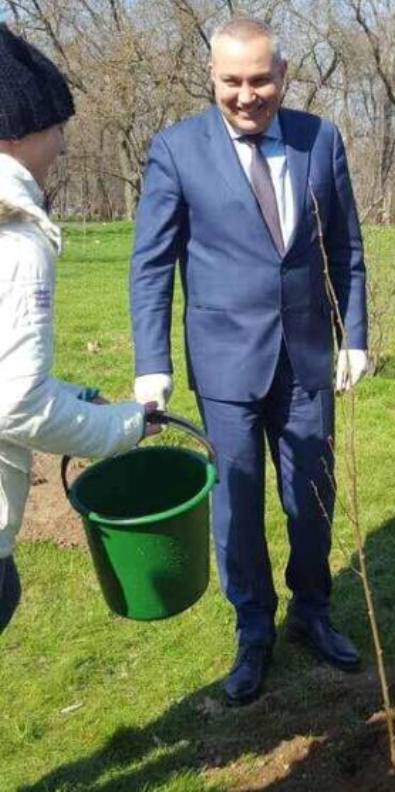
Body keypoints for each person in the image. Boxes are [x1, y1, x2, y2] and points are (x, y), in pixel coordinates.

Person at [130, 17, 369, 706]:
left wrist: (353, 336)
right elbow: (152, 267)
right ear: (213, 79)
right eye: (232, 81)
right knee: (236, 505)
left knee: (310, 500)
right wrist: (153, 363)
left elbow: (347, 248)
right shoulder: (177, 150)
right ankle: (253, 629)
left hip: (306, 359)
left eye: (260, 78)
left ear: (282, 74)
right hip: (225, 362)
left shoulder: (319, 139)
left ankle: (313, 611)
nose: (247, 94)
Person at [0, 24, 155, 634]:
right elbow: (15, 402)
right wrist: (122, 427)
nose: (63, 143)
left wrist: (66, 396)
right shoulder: (15, 237)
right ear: (16, 130)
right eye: (56, 124)